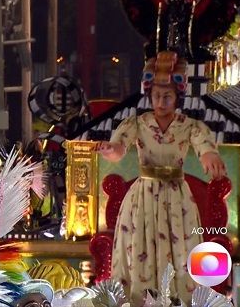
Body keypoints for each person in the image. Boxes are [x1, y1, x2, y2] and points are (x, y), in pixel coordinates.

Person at [97, 50, 227, 304]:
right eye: (156, 95)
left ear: (177, 96)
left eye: (167, 95)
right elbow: (119, 149)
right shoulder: (138, 123)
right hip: (142, 197)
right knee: (138, 250)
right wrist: (110, 150)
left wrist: (209, 156)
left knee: (181, 252)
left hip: (177, 198)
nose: (161, 101)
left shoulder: (190, 126)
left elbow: (204, 147)